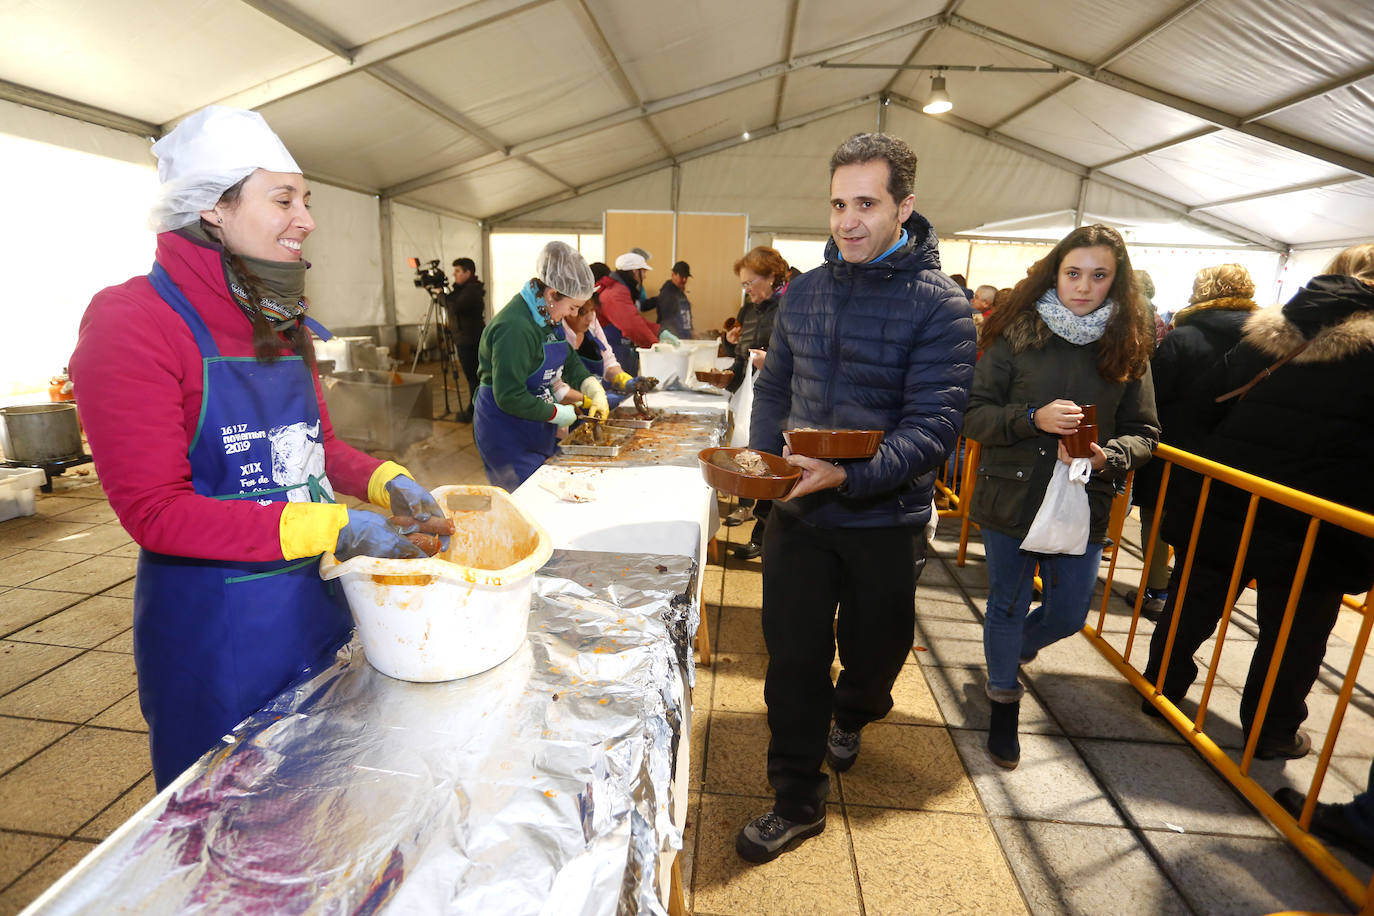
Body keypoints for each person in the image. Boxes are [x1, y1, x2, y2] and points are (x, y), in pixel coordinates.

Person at [68, 105, 439, 789]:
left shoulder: (274, 317)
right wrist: (331, 523)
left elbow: (314, 446)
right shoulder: (133, 322)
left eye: (306, 199)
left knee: (326, 817)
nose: (307, 218)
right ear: (213, 208)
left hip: (314, 610)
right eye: (284, 199)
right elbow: (155, 511)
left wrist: (386, 480)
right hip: (220, 642)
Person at [736, 132, 976, 863]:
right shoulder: (805, 292)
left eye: (866, 204)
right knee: (794, 658)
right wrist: (766, 456)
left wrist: (852, 474)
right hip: (802, 514)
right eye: (839, 203)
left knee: (875, 650)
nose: (848, 220)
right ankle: (795, 797)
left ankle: (860, 706)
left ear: (905, 206)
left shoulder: (942, 306)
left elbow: (935, 423)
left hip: (883, 517)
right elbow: (775, 384)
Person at [1143, 243, 1374, 760]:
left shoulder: (1270, 331)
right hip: (1323, 518)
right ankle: (1270, 732)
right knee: (1295, 629)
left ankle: (1160, 686)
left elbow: (1205, 403)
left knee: (1197, 594)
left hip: (1232, 496)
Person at [964, 223, 1159, 771]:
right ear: (1056, 272)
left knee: (1070, 613)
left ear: (1116, 284)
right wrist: (1032, 418)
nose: (1083, 286)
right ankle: (1003, 701)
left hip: (1084, 498)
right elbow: (974, 414)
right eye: (1073, 273)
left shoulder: (1130, 344)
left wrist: (1109, 454)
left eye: (1099, 276)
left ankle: (1012, 647)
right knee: (1005, 601)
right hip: (1012, 495)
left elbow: (1146, 433)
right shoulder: (1015, 332)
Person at [1127, 264, 1259, 619]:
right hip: (1234, 451)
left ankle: (1157, 589)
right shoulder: (1262, 340)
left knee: (1157, 518)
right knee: (1209, 522)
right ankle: (1189, 588)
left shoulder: (1182, 337)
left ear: (1202, 290)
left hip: (1175, 446)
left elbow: (1155, 392)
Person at [474, 241, 609, 491]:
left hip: (536, 421)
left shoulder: (547, 315)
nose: (572, 314)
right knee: (530, 501)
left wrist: (591, 387)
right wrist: (559, 413)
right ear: (551, 294)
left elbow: (567, 359)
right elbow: (509, 396)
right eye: (573, 307)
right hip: (506, 431)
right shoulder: (515, 328)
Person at [722, 246, 790, 560]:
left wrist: (771, 362)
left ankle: (766, 536)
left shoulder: (790, 307)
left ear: (772, 277)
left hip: (785, 399)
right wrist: (729, 357)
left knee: (776, 464)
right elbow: (741, 358)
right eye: (744, 285)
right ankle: (761, 530)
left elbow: (801, 358)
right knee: (758, 458)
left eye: (751, 283)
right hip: (754, 395)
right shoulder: (750, 309)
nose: (747, 290)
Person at [594, 251, 680, 375]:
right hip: (612, 355)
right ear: (635, 272)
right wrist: (655, 346)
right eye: (643, 271)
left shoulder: (621, 289)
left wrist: (659, 331)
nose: (645, 276)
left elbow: (636, 319)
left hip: (620, 351)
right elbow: (632, 326)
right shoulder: (616, 293)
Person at [446, 257, 486, 423]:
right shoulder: (464, 289)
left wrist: (440, 295)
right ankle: (476, 408)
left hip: (470, 340)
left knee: (473, 377)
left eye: (457, 271)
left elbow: (454, 307)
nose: (454, 275)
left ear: (467, 273)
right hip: (466, 338)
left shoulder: (471, 291)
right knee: (474, 377)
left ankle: (474, 411)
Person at [655, 260, 695, 340]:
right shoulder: (667, 293)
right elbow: (666, 321)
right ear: (673, 274)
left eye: (686, 277)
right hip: (672, 339)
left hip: (684, 338)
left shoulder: (680, 293)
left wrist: (691, 332)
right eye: (681, 276)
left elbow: (686, 317)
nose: (684, 280)